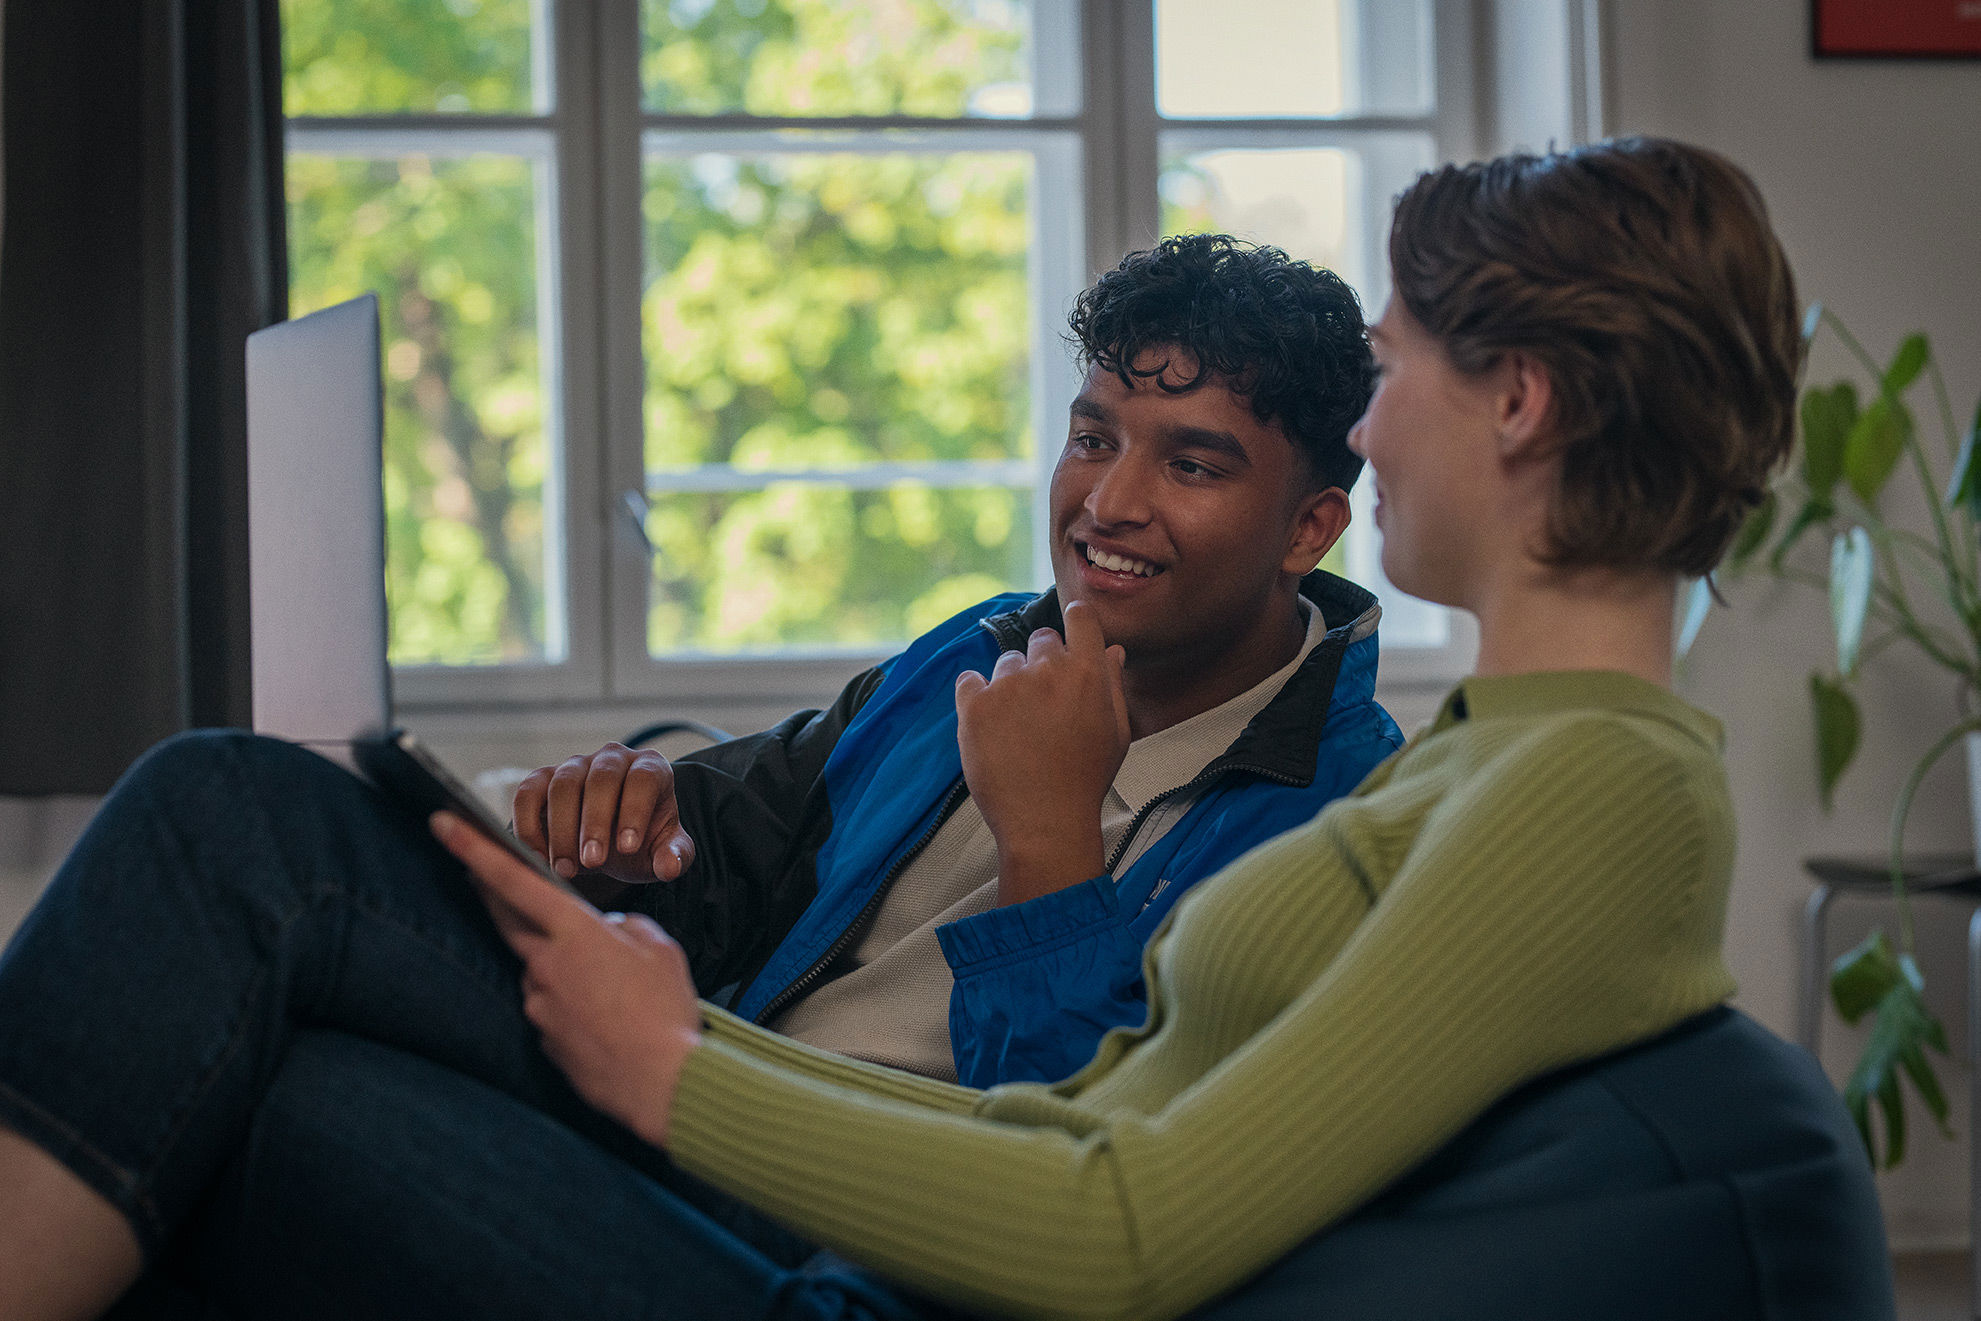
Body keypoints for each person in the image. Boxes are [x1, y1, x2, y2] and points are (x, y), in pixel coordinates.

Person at [0, 136, 1806, 1321]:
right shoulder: (1508, 753)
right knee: (239, 934)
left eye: (1395, 365)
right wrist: (649, 941)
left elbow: (1122, 1220)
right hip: (809, 1182)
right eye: (1095, 435)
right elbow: (1084, 1109)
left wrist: (691, 1063)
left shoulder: (1575, 788)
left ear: (1517, 402)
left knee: (243, 919)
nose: (1378, 417)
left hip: (865, 1278)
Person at [513, 233, 1401, 1088]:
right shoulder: (980, 646)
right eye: (1093, 441)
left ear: (1307, 529)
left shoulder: (1351, 816)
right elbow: (746, 844)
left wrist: (1048, 839)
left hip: (840, 1184)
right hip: (698, 1107)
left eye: (1192, 467)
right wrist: (619, 857)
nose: (1107, 502)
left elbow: (1097, 1142)